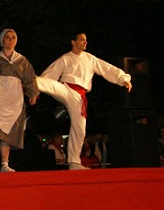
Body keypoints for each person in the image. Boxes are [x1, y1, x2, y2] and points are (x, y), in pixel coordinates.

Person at [36, 32, 132, 170]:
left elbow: (107, 68)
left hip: (79, 97)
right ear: (73, 42)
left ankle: (74, 162)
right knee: (48, 83)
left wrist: (123, 79)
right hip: (66, 88)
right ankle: (31, 82)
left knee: (80, 129)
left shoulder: (90, 59)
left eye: (85, 40)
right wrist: (36, 90)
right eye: (81, 40)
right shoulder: (66, 58)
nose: (85, 42)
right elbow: (50, 73)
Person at [0, 29, 39, 172]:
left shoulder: (22, 60)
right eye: (7, 37)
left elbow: (30, 78)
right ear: (2, 40)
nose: (10, 40)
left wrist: (33, 93)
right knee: (2, 130)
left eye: (13, 37)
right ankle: (4, 164)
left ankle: (5, 163)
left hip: (15, 99)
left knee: (9, 130)